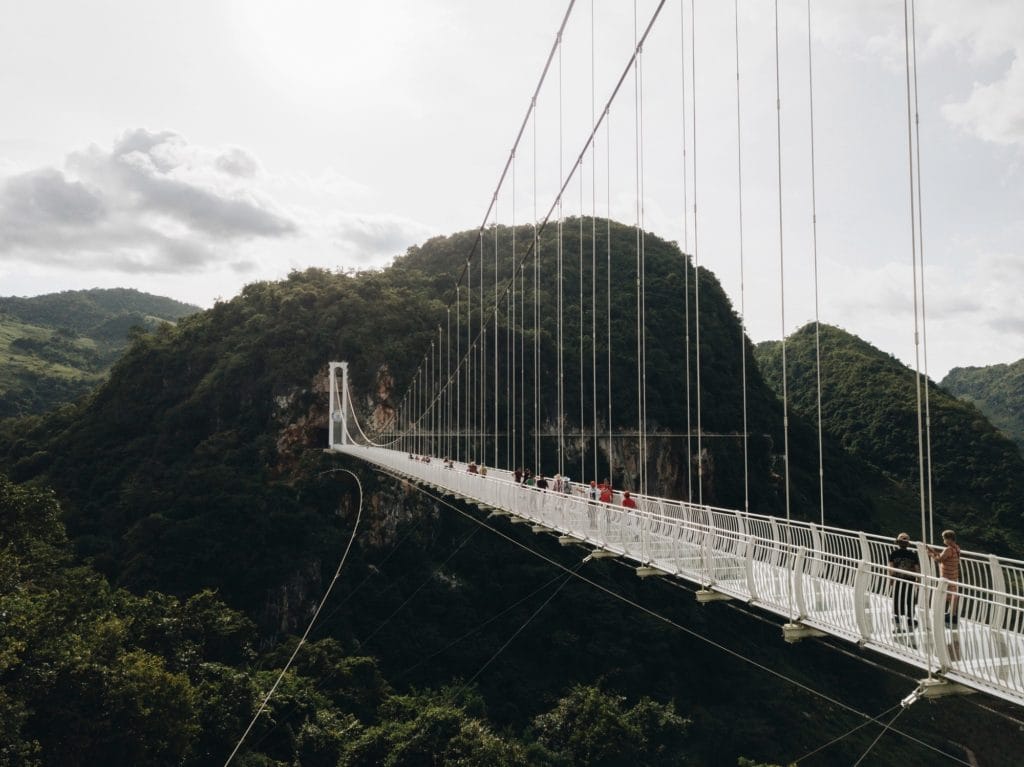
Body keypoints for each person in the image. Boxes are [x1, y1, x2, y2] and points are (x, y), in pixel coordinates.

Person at [887, 532, 920, 632]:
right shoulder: (913, 554)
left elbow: (890, 567)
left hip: (898, 579)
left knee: (897, 597)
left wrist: (891, 578)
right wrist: (918, 578)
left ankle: (897, 617)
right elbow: (916, 568)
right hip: (910, 580)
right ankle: (910, 618)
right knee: (910, 598)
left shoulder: (893, 553)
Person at [928, 529, 961, 625]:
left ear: (949, 539)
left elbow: (939, 559)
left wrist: (931, 555)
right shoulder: (956, 548)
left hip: (947, 575)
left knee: (944, 593)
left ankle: (947, 614)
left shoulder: (948, 549)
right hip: (953, 573)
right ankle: (953, 614)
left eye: (944, 538)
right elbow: (944, 556)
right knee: (953, 593)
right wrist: (934, 552)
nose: (944, 541)